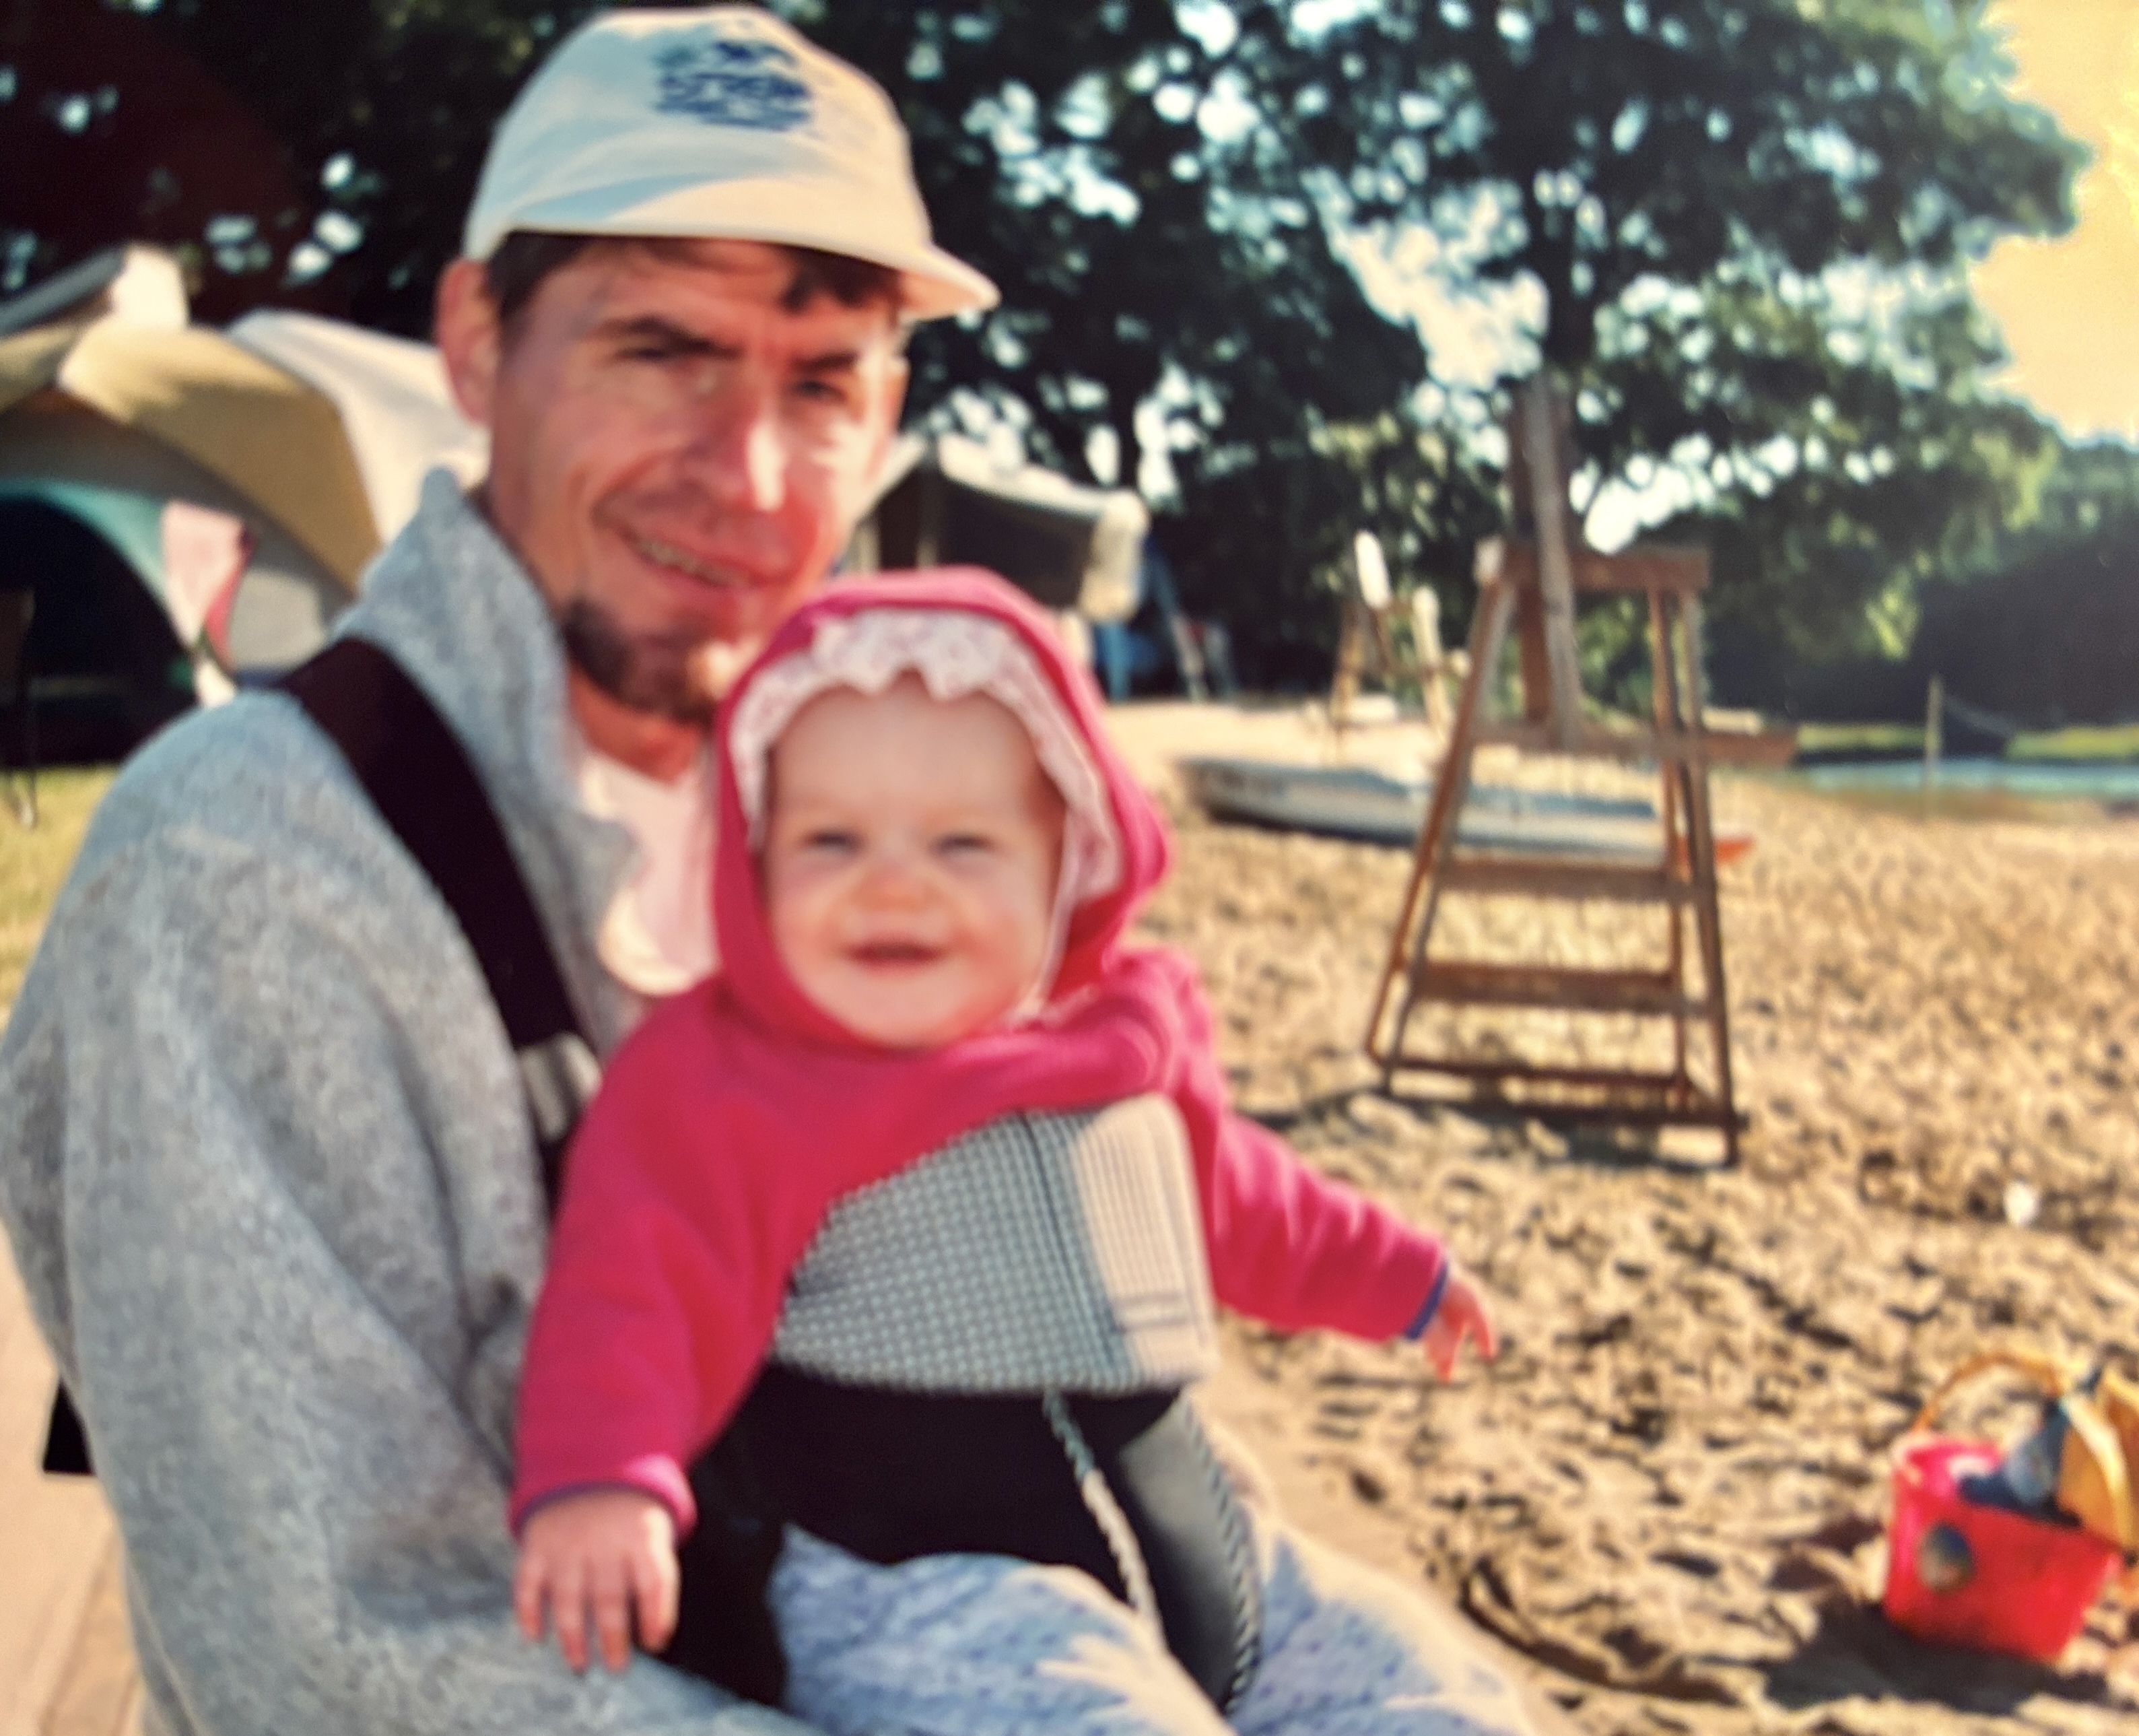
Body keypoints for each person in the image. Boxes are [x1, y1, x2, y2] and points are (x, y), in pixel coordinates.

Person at [0, 9, 1563, 1735]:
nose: (745, 473)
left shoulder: (886, 796)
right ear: (472, 340)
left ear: (887, 401)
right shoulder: (250, 871)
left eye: (819, 380)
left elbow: (1086, 1317)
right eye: (659, 346)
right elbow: (337, 1659)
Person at [508, 571, 1505, 1735]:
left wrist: (1401, 1277)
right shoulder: (729, 1082)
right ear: (751, 864)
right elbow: (629, 1289)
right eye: (830, 839)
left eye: (963, 843)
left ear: (1065, 868)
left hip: (1213, 1558)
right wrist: (597, 1477)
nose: (894, 880)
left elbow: (1245, 1200)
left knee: (1428, 1684)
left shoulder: (1116, 1044)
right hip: (927, 1595)